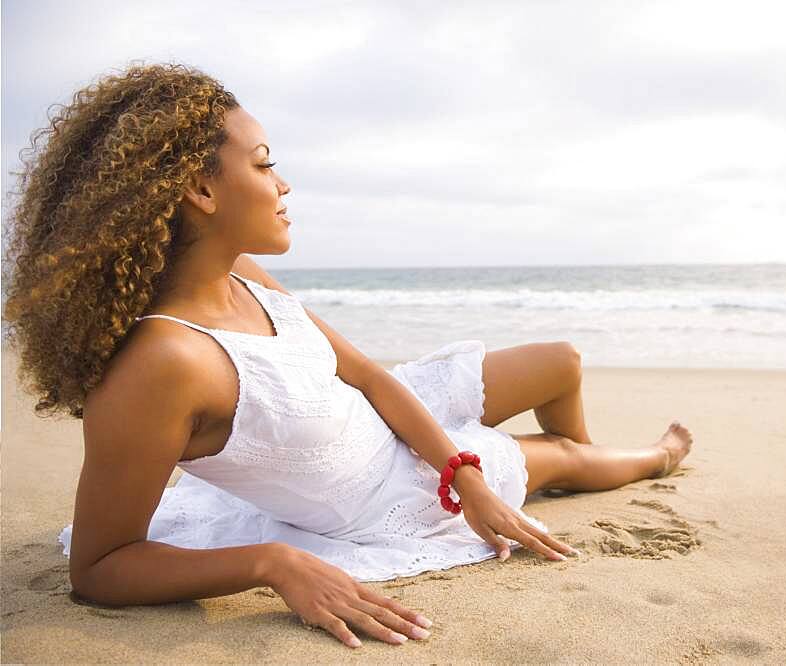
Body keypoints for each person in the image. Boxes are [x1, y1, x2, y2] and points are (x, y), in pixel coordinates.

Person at [1, 62, 694, 649]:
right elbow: (99, 569)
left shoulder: (244, 274)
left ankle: (543, 467)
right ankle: (653, 459)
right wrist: (273, 563)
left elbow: (362, 374)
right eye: (265, 163)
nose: (284, 185)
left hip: (388, 411)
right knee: (560, 458)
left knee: (563, 362)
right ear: (201, 190)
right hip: (385, 493)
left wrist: (466, 472)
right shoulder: (165, 365)